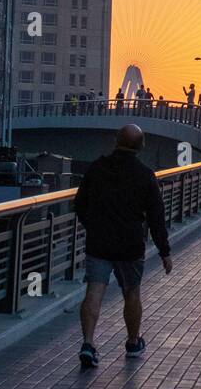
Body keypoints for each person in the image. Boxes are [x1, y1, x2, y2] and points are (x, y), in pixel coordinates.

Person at [73, 123, 173, 365]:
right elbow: (156, 217)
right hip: (130, 243)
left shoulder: (97, 168)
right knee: (131, 293)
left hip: (99, 242)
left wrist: (93, 226)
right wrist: (164, 251)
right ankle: (132, 342)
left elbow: (79, 204)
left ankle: (88, 344)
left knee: (94, 291)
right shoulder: (145, 175)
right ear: (141, 146)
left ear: (116, 140)